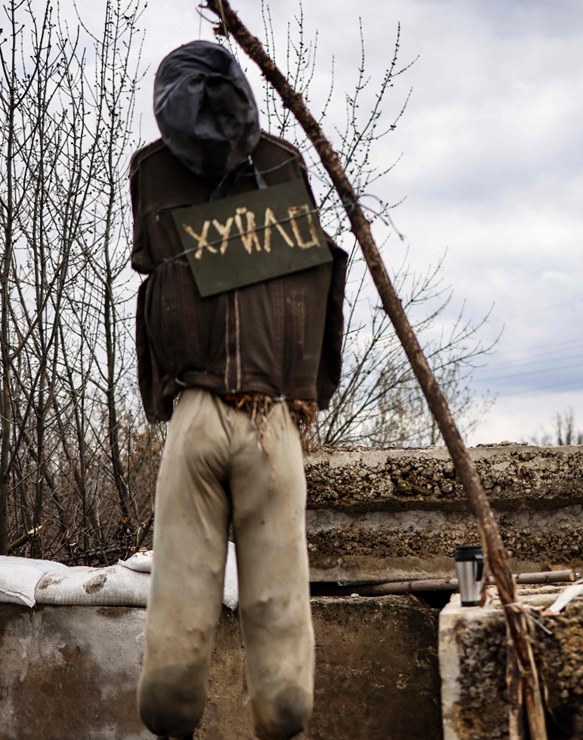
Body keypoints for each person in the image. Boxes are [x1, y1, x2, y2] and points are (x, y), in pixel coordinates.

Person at [132, 40, 347, 740]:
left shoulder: (153, 171)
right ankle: (264, 724)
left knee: (187, 612)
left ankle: (192, 727)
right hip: (265, 417)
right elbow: (323, 283)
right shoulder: (283, 163)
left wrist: (163, 395)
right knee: (270, 612)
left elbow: (149, 280)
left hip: (208, 411)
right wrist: (308, 392)